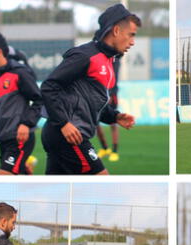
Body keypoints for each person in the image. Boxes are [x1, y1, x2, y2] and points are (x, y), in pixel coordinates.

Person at [41, 4, 139, 175]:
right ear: (116, 30)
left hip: (64, 135)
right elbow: (49, 87)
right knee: (103, 179)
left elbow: (90, 101)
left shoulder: (108, 61)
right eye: (131, 35)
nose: (133, 42)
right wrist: (64, 123)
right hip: (68, 136)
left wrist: (114, 116)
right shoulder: (85, 55)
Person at [0, 31, 43, 175]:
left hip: (20, 138)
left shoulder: (20, 73)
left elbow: (39, 100)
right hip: (3, 138)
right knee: (17, 179)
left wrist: (26, 124)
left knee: (4, 176)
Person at [96, 58, 121, 162]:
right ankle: (105, 148)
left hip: (111, 93)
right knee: (95, 122)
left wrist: (110, 93)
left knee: (113, 121)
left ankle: (114, 151)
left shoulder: (115, 58)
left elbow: (113, 77)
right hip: (97, 93)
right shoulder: (99, 57)